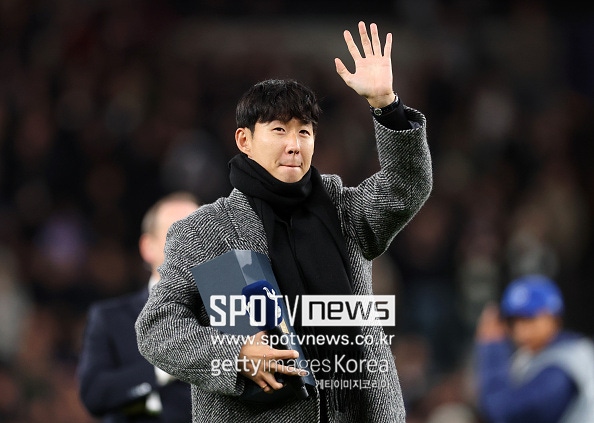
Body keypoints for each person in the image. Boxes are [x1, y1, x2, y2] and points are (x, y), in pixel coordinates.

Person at [135, 21, 432, 423]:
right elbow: (157, 328)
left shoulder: (342, 209)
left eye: (304, 132)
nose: (294, 145)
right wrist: (235, 355)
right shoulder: (205, 230)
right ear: (244, 140)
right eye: (279, 130)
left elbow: (405, 187)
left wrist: (386, 106)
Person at [78, 192, 200, 422]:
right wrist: (164, 368)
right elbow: (94, 394)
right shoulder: (110, 319)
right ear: (147, 247)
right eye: (176, 233)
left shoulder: (229, 315)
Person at [474, 274, 594, 423]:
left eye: (529, 319)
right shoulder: (528, 355)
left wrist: (493, 350)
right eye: (514, 321)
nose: (521, 330)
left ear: (553, 317)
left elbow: (507, 414)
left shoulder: (568, 360)